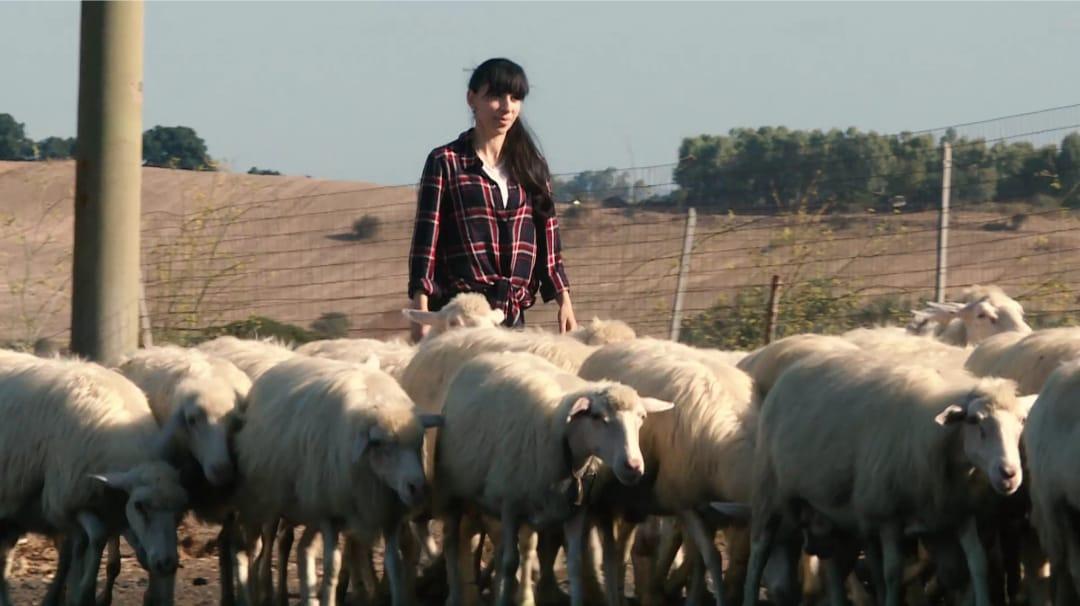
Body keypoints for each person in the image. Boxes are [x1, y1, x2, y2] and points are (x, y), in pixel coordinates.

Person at [407, 58, 577, 342]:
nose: (507, 107)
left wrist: (564, 301)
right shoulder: (445, 162)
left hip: (512, 318)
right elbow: (427, 241)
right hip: (460, 318)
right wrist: (420, 309)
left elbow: (549, 242)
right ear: (472, 99)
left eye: (515, 98)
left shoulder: (532, 166)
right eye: (496, 96)